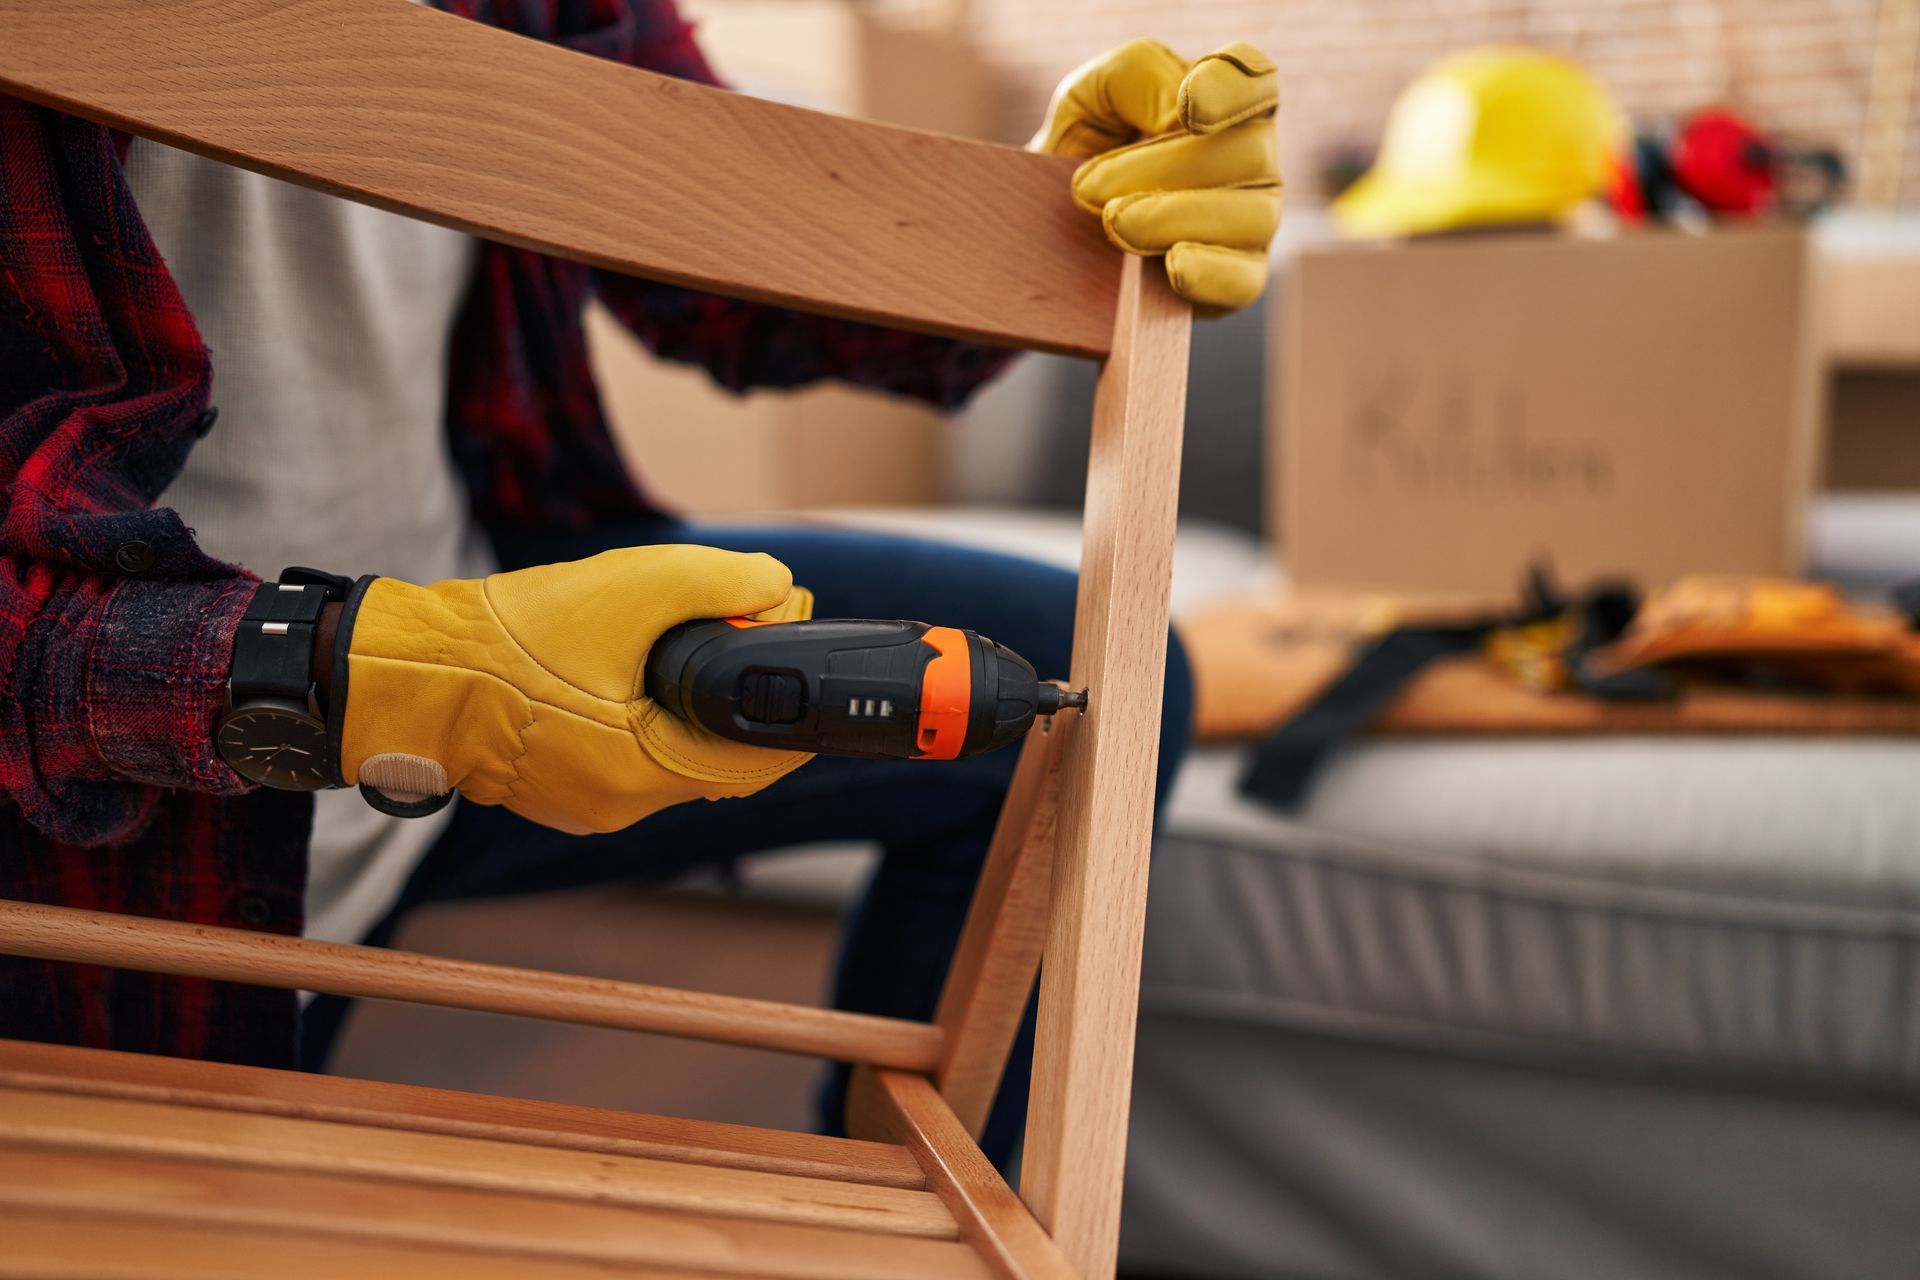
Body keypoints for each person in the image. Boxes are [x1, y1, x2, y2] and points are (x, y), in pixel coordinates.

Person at [0, 6, 1279, 1165]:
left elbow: (728, 234)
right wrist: (379, 673)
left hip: (463, 644)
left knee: (1099, 673)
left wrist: (1041, 220)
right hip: (100, 802)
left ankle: (904, 1184)